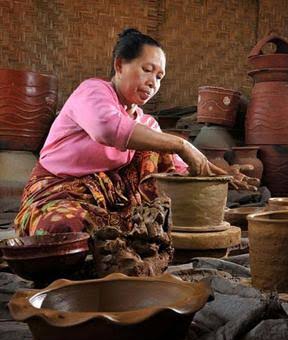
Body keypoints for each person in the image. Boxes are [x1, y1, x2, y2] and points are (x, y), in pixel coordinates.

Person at [14, 28, 235, 236]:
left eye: (159, 77)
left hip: (110, 199)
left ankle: (128, 228)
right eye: (147, 70)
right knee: (63, 229)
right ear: (119, 66)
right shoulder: (92, 91)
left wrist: (221, 176)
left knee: (157, 154)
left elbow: (180, 168)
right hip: (57, 191)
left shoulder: (145, 122)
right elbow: (107, 129)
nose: (152, 83)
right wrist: (181, 144)